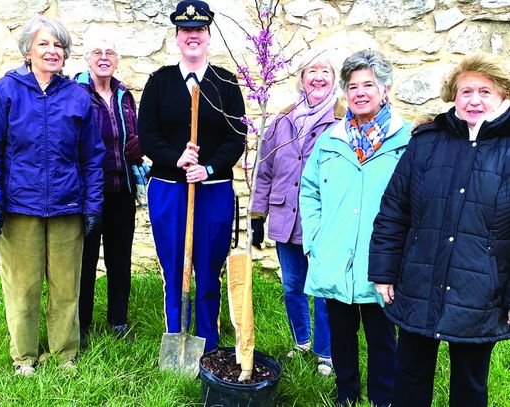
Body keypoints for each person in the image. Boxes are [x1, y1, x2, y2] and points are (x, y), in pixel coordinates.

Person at [369, 53, 510, 407]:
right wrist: (384, 270)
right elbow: (394, 211)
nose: (474, 100)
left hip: (482, 289)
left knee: (470, 384)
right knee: (410, 376)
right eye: (465, 91)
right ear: (453, 95)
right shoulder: (427, 142)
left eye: (484, 91)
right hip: (420, 281)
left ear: (503, 95)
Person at [0, 15, 104, 376]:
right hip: (19, 208)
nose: (52, 51)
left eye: (58, 45)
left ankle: (64, 355)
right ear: (28, 50)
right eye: (44, 44)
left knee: (66, 289)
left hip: (67, 208)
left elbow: (92, 156)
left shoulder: (79, 97)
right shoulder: (5, 92)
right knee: (23, 288)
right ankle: (25, 357)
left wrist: (93, 205)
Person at [300, 50, 411, 406]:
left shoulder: (406, 140)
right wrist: (315, 239)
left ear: (385, 90)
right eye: (353, 86)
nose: (360, 92)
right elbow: (310, 190)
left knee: (382, 337)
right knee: (341, 335)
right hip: (334, 256)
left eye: (368, 85)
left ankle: (383, 398)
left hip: (381, 261)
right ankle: (346, 395)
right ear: (344, 93)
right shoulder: (330, 140)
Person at [137, 0, 246, 352]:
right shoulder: (159, 82)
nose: (192, 36)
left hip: (212, 189)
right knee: (173, 265)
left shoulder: (226, 84)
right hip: (169, 188)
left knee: (209, 267)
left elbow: (236, 136)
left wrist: (208, 167)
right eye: (186, 30)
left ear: (209, 36)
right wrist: (177, 158)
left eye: (199, 30)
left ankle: (207, 339)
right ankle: (177, 332)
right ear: (177, 37)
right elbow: (147, 133)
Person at [251, 50, 337, 376]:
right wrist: (258, 215)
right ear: (301, 79)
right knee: (292, 285)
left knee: (324, 288)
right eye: (311, 71)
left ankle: (325, 351)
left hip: (323, 222)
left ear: (334, 79)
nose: (318, 77)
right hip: (286, 218)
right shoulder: (282, 122)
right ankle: (301, 341)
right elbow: (265, 172)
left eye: (325, 71)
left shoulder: (343, 121)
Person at [75, 35, 144, 345]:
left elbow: (135, 134)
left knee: (120, 259)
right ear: (88, 59)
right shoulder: (75, 93)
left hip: (121, 190)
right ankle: (82, 325)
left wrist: (140, 144)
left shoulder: (124, 95)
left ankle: (118, 321)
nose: (104, 57)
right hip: (86, 194)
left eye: (110, 52)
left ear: (117, 61)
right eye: (97, 52)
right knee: (84, 261)